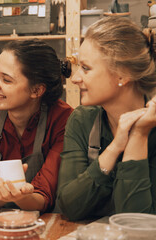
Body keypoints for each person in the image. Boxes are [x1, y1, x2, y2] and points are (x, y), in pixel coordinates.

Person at [57, 16, 156, 221]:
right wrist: (114, 149)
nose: (74, 78)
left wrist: (139, 135)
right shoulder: (82, 119)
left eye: (86, 68)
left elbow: (135, 224)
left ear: (122, 75)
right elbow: (68, 206)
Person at [0, 39, 73, 212]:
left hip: (41, 221)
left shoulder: (63, 120)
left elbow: (44, 197)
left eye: (6, 80)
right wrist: (7, 193)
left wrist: (19, 196)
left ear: (36, 90)